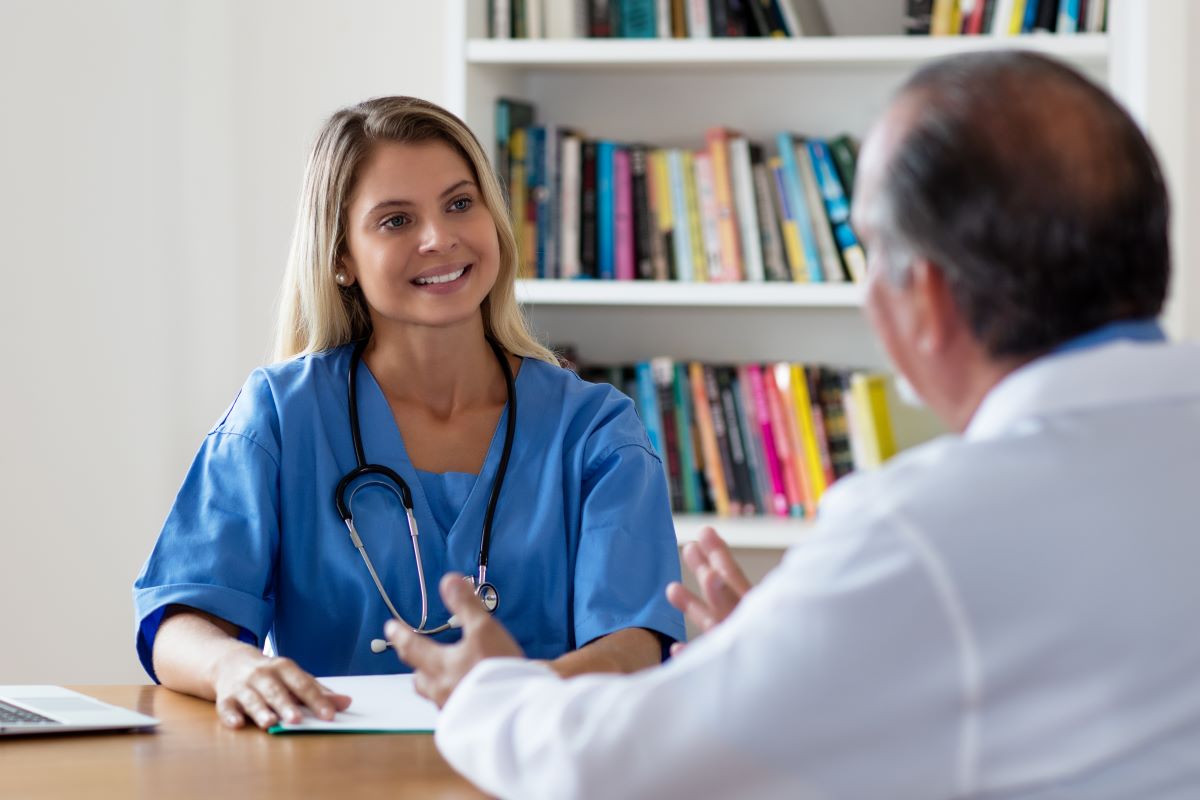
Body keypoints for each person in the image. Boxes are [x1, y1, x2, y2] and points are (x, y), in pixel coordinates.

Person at [386, 52, 1200, 798]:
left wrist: (486, 688)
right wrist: (804, 664)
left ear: (926, 297)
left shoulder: (919, 531)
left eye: (869, 252)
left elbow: (614, 769)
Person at [133, 96, 685, 730]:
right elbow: (179, 620)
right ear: (341, 257)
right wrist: (233, 666)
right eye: (396, 220)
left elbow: (635, 644)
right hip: (330, 768)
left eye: (460, 204)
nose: (439, 238)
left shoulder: (596, 431)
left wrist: (511, 695)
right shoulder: (280, 416)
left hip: (531, 758)